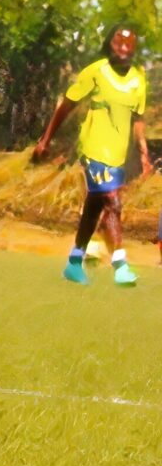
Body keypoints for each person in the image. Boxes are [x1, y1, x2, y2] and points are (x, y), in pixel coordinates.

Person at [34, 25, 150, 286]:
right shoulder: (96, 72)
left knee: (95, 206)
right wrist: (46, 139)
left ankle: (74, 262)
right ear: (109, 45)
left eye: (129, 44)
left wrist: (143, 153)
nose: (123, 48)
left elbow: (138, 119)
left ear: (134, 49)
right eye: (118, 42)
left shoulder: (139, 79)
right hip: (93, 148)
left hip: (117, 154)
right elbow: (67, 104)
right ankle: (120, 264)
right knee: (113, 201)